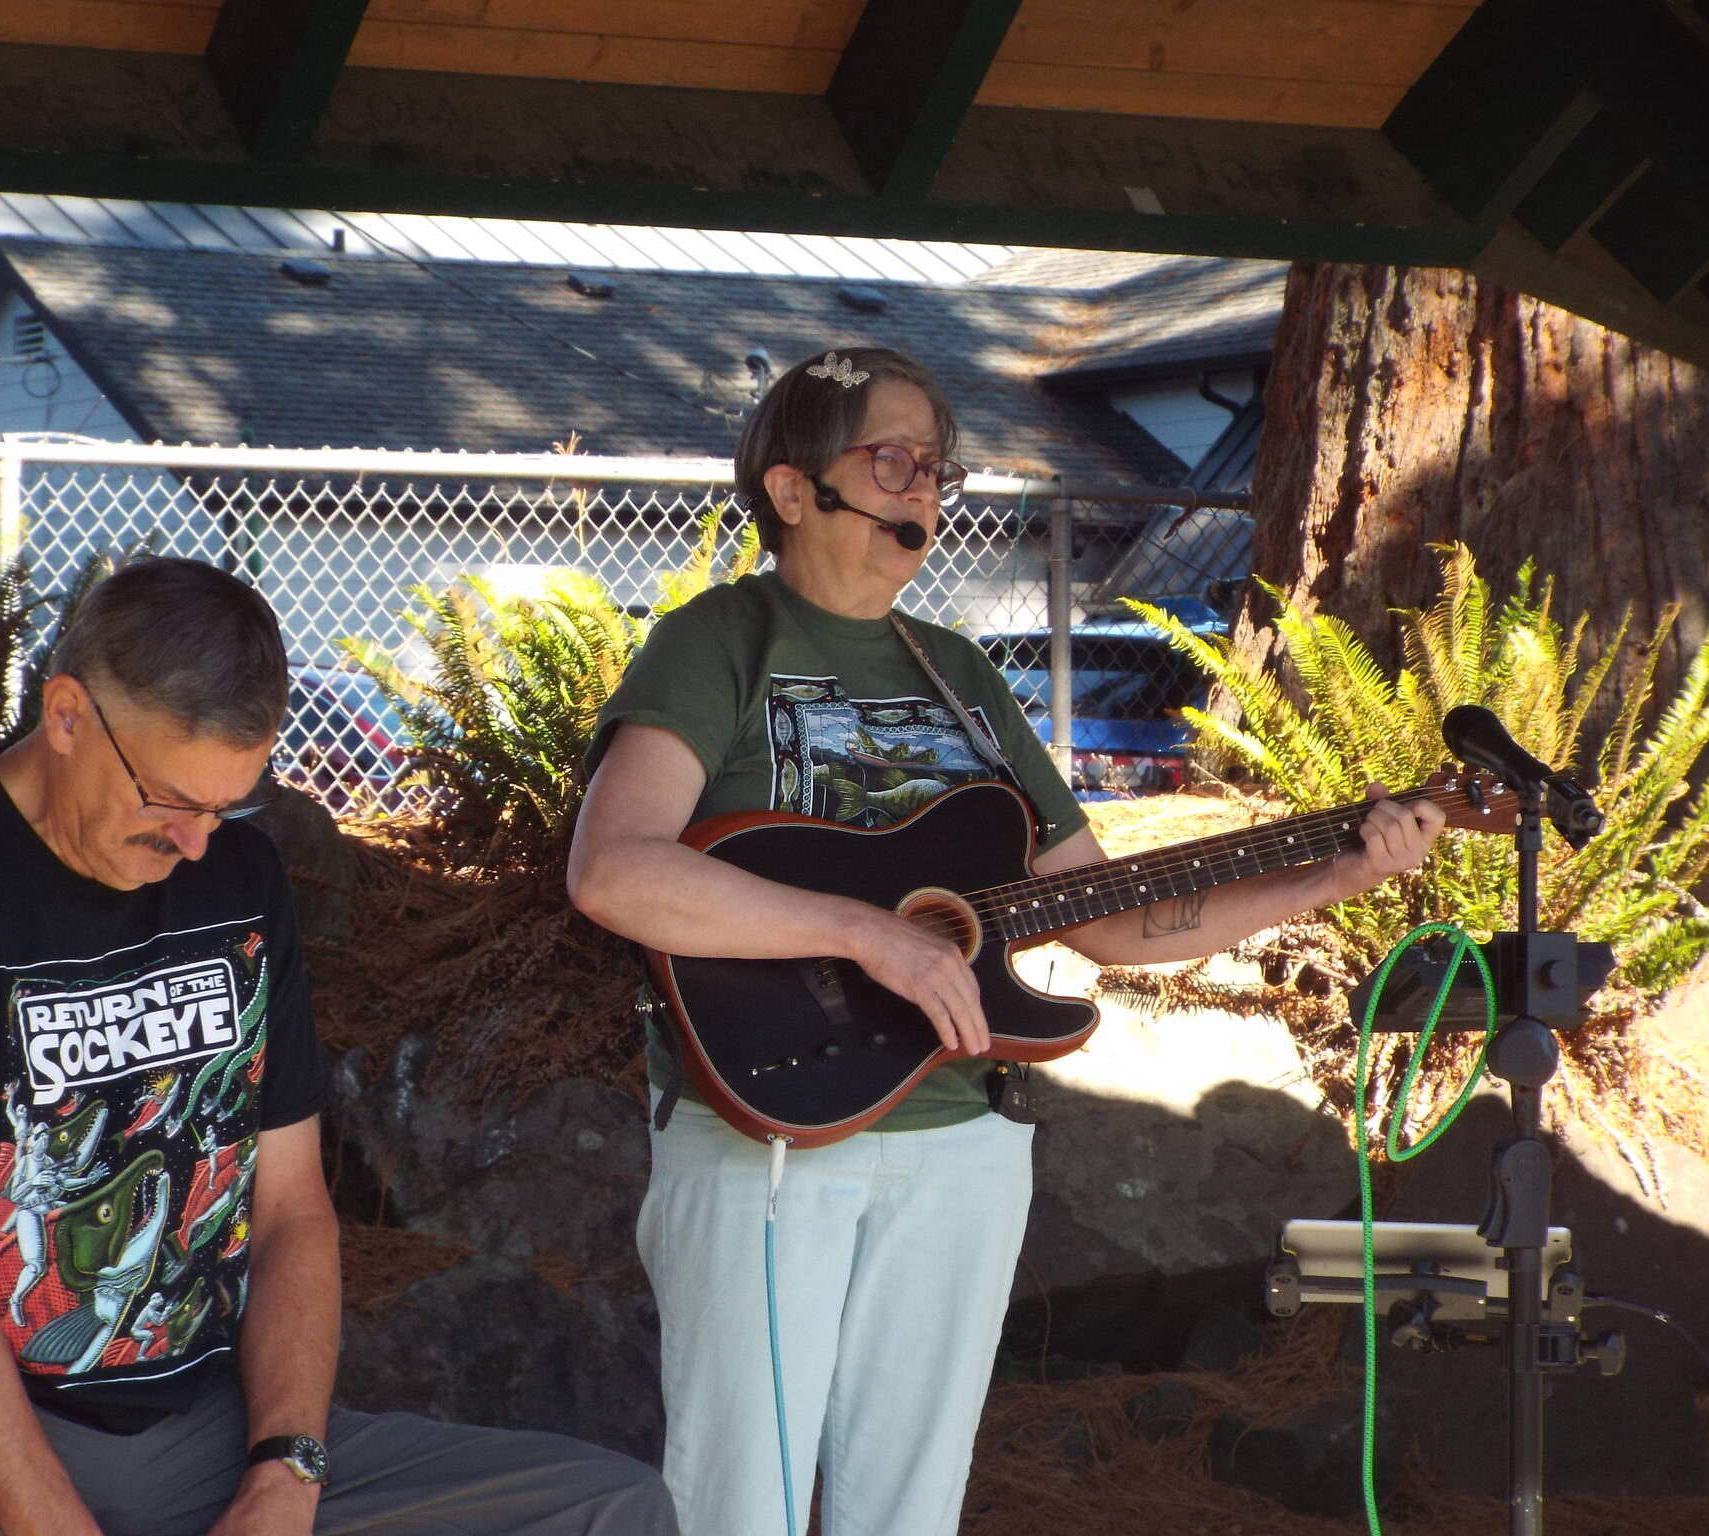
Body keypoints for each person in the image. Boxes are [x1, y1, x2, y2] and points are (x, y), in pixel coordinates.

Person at [565, 347, 1445, 1536]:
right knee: (736, 1507)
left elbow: (1105, 916)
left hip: (961, 1139)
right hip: (766, 1134)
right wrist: (868, 937)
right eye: (892, 462)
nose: (924, 493)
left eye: (939, 470)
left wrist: (1330, 873)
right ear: (790, 488)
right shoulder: (719, 641)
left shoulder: (962, 670)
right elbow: (614, 870)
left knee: (908, 1512)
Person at [0, 556, 677, 1536]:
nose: (195, 844)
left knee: (606, 1510)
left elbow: (290, 1209)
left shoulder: (237, 878)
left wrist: (286, 1468)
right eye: (170, 800)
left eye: (224, 807)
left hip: (197, 1432)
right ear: (67, 714)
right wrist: (49, 1518)